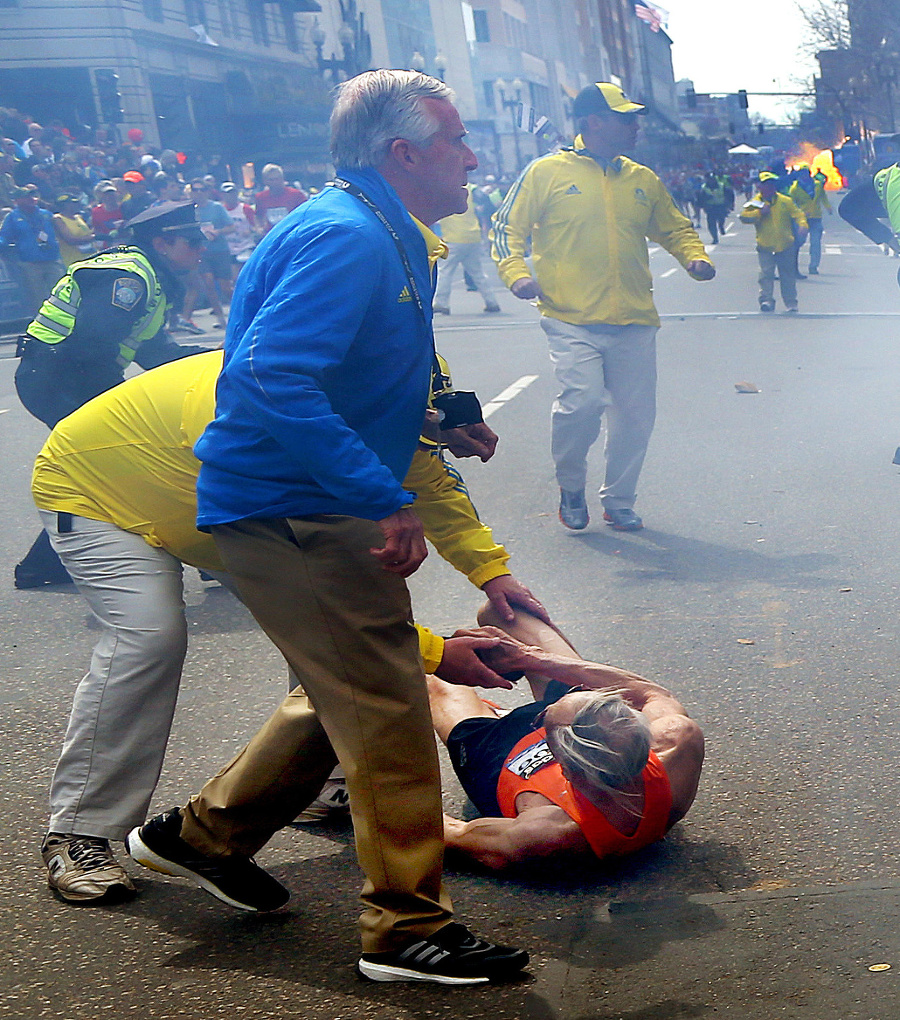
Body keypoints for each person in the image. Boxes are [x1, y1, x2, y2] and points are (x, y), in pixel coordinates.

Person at [125, 69, 529, 986]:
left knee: (342, 686)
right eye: (457, 141)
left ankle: (202, 838)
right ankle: (405, 929)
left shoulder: (390, 232)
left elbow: (374, 364)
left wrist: (443, 417)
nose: (474, 156)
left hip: (304, 500)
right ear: (403, 153)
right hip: (295, 508)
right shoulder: (346, 236)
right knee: (386, 708)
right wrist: (381, 497)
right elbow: (272, 377)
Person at [33, 349, 547, 905]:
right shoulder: (272, 421)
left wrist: (493, 574)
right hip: (96, 490)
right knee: (149, 638)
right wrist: (431, 652)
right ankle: (81, 832)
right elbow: (329, 599)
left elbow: (430, 483)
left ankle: (320, 785)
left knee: (326, 639)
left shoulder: (379, 379)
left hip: (207, 501)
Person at [490, 83, 715, 533]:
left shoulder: (642, 178)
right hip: (570, 316)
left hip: (634, 319)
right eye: (625, 118)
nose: (635, 126)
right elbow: (505, 228)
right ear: (594, 121)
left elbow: (674, 227)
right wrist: (515, 274)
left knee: (635, 417)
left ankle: (619, 500)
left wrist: (695, 257)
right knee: (581, 404)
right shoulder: (545, 172)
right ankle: (571, 487)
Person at [13, 201, 208, 589]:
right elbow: (90, 347)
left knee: (95, 470)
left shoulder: (148, 276)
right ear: (163, 243)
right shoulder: (130, 278)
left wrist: (222, 355)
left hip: (64, 375)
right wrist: (126, 403)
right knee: (123, 460)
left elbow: (157, 353)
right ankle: (204, 550)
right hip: (57, 377)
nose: (202, 249)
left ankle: (44, 566)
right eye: (194, 241)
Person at [430, 605, 704, 869]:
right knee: (501, 610)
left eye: (545, 718)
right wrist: (528, 657)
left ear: (567, 771)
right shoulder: (677, 741)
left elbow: (449, 833)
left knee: (423, 672)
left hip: (500, 757)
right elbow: (650, 692)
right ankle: (561, 687)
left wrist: (432, 653)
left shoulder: (547, 833)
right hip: (576, 727)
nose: (543, 710)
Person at [740, 171, 807, 314]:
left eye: (772, 184)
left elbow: (798, 214)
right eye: (767, 184)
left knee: (787, 276)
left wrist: (803, 226)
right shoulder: (755, 202)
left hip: (786, 245)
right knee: (766, 275)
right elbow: (744, 217)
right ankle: (766, 301)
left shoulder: (785, 201)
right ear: (761, 186)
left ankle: (791, 303)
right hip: (765, 245)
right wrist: (759, 213)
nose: (771, 187)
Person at [433, 182, 500, 315]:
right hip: (473, 235)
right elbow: (484, 205)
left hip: (454, 237)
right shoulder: (471, 188)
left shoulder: (440, 188)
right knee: (477, 272)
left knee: (445, 271)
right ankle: (491, 301)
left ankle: (441, 303)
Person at [0, 184, 65, 313]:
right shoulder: (12, 218)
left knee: (60, 292)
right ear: (17, 200)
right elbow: (4, 238)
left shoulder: (46, 214)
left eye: (32, 196)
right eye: (26, 197)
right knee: (37, 296)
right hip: (30, 263)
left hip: (51, 259)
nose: (31, 199)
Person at [182, 178, 230, 328]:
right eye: (195, 190)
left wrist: (218, 231)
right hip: (201, 252)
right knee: (208, 283)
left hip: (220, 250)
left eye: (202, 189)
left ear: (207, 191)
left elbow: (231, 226)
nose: (199, 193)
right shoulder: (189, 210)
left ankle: (240, 310)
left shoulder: (217, 208)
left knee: (225, 287)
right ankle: (220, 318)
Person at [253, 162, 306, 235]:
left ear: (282, 179)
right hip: (271, 235)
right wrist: (259, 228)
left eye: (277, 179)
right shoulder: (260, 197)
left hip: (293, 234)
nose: (275, 182)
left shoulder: (296, 195)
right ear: (265, 181)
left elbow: (306, 214)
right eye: (271, 180)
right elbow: (258, 215)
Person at [51, 193, 95, 267]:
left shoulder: (78, 217)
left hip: (89, 257)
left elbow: (87, 233)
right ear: (64, 205)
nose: (77, 205)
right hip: (73, 260)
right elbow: (70, 240)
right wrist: (93, 237)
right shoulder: (58, 219)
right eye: (74, 203)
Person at [804, 169, 833, 275]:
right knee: (797, 243)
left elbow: (823, 197)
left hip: (816, 218)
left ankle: (813, 266)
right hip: (801, 219)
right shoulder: (795, 188)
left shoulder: (817, 185)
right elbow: (791, 202)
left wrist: (828, 207)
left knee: (815, 243)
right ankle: (793, 267)